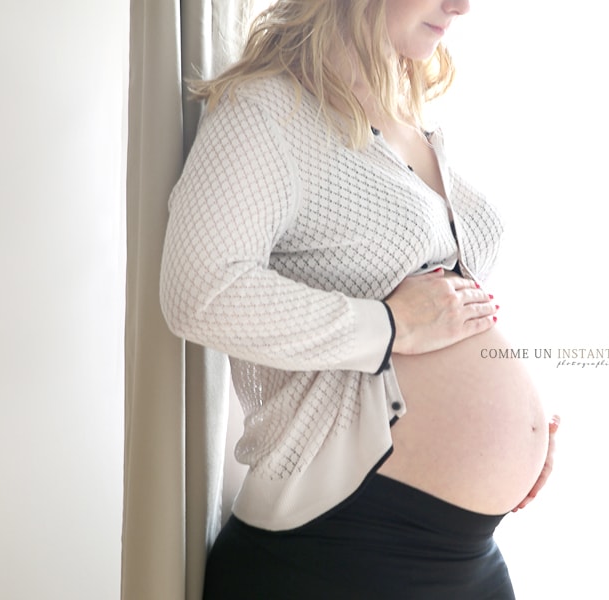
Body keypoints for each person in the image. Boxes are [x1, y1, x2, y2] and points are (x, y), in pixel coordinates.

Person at [160, 0, 560, 597]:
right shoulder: (270, 111)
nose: (463, 6)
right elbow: (199, 291)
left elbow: (441, 313)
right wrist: (388, 328)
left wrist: (524, 437)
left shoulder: (407, 115)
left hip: (468, 554)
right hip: (342, 549)